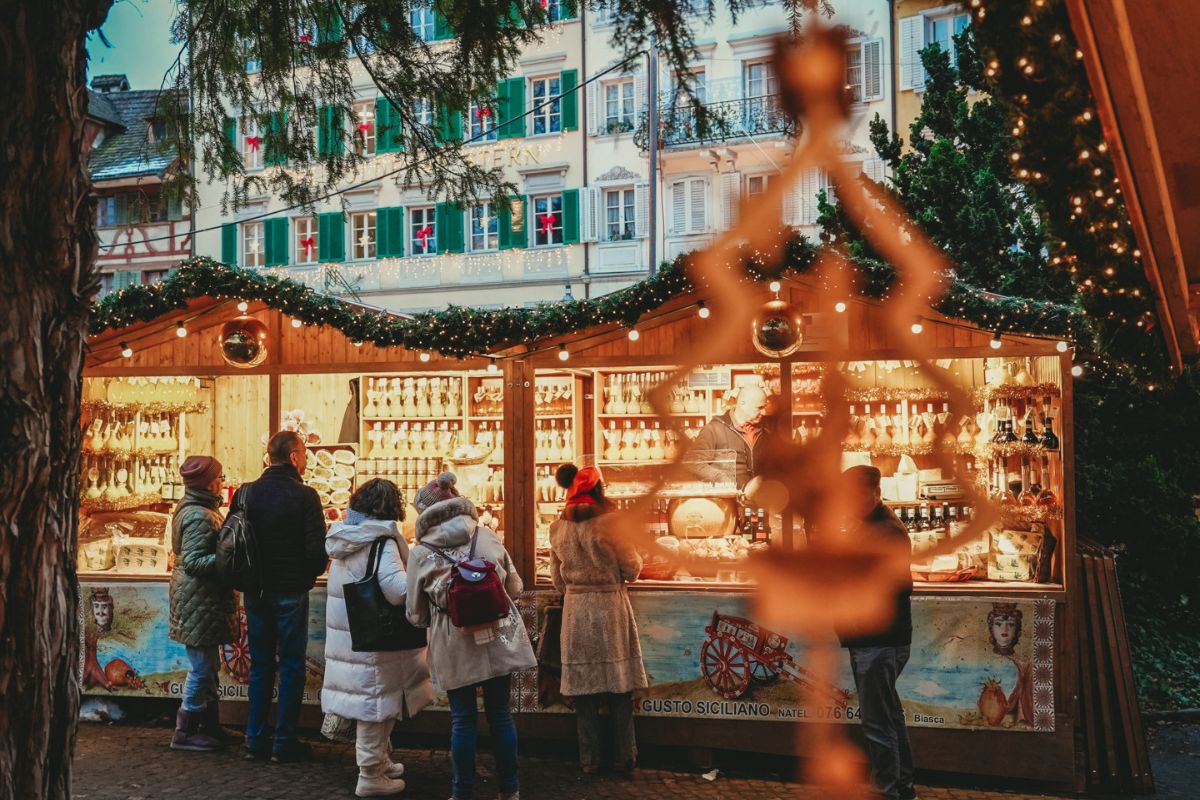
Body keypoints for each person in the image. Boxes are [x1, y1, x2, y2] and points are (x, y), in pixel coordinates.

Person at [405, 473, 536, 800]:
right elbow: (515, 588)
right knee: (501, 716)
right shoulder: (487, 536)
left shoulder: (421, 553)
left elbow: (416, 614)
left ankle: (462, 793)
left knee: (463, 721)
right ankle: (510, 790)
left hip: (454, 641)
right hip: (499, 636)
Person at [323, 478, 434, 797]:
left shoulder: (345, 537)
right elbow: (398, 592)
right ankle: (370, 774)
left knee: (374, 702)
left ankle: (380, 761)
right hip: (375, 640)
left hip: (352, 636)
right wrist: (421, 575)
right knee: (375, 706)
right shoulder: (382, 542)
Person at [549, 464, 648, 775]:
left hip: (577, 610)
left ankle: (589, 760)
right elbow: (631, 569)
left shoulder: (558, 527)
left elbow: (556, 580)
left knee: (584, 691)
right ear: (599, 489)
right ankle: (624, 757)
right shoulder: (612, 523)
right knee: (620, 687)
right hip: (610, 608)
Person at [238, 430, 329, 763]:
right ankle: (283, 741)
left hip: (255, 591)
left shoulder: (246, 494)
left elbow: (232, 541)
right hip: (290, 590)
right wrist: (305, 577)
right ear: (293, 457)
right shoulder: (305, 496)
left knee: (260, 666)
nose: (306, 460)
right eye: (304, 454)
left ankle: (254, 739)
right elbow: (316, 552)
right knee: (291, 666)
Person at [839, 465, 916, 800]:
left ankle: (886, 792)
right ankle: (903, 788)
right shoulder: (869, 526)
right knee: (890, 719)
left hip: (878, 641)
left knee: (878, 725)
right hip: (876, 640)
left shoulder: (886, 533)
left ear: (875, 492)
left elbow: (894, 586)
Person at [167, 455, 241, 752]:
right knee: (201, 666)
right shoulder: (199, 514)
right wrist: (230, 559)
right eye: (220, 477)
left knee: (208, 665)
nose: (223, 481)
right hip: (198, 600)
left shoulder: (196, 508)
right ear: (209, 482)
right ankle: (184, 731)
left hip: (200, 600)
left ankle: (210, 726)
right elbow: (195, 561)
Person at [691, 384, 773, 489]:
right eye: (759, 408)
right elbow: (694, 463)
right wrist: (721, 478)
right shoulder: (714, 429)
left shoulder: (767, 430)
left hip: (761, 498)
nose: (764, 412)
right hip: (728, 499)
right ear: (743, 404)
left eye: (764, 407)